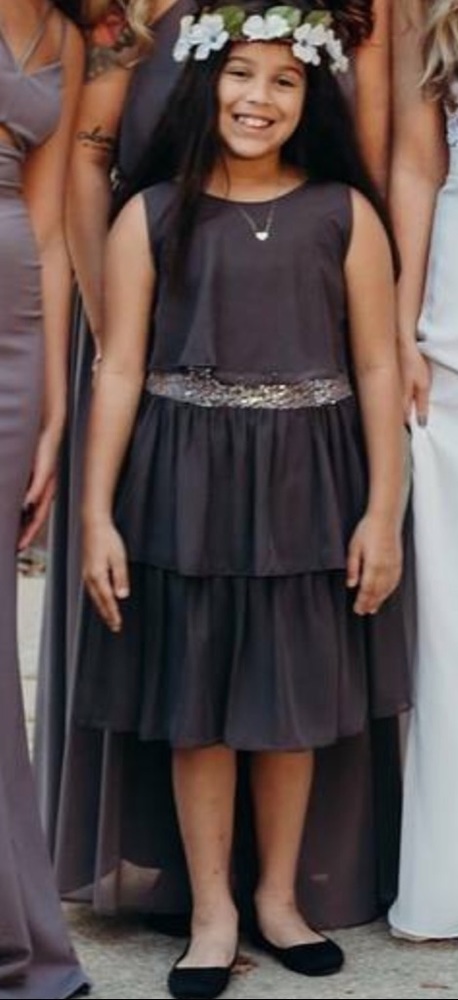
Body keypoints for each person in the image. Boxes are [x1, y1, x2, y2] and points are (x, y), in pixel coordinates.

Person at [35, 0, 403, 935]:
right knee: (195, 707)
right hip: (183, 487)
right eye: (241, 73)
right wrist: (97, 516)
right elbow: (118, 364)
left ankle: (277, 899)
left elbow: (375, 366)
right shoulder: (150, 215)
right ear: (205, 80)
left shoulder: (346, 214)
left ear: (311, 94)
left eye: (285, 80)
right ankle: (211, 911)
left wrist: (383, 512)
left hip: (307, 489)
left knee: (288, 710)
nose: (259, 98)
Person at [386, 0, 458, 954]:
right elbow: (415, 165)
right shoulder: (421, 16)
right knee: (431, 596)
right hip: (437, 311)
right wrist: (402, 322)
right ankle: (432, 857)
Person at [0, 1, 88, 997]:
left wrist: (58, 405)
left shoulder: (64, 37)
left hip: (19, 337)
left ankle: (17, 930)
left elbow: (55, 226)